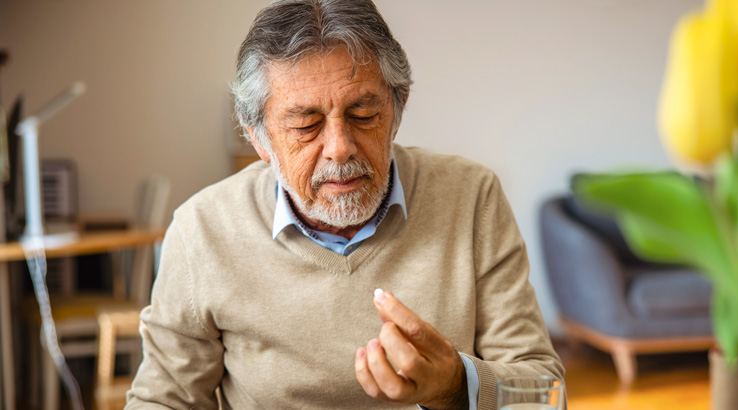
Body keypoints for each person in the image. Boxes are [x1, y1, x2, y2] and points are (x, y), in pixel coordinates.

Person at [126, 0, 564, 409]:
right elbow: (162, 399)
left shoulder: (471, 196)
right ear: (259, 137)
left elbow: (547, 392)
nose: (339, 148)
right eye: (305, 123)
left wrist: (457, 385)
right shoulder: (202, 229)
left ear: (397, 108)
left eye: (363, 114)